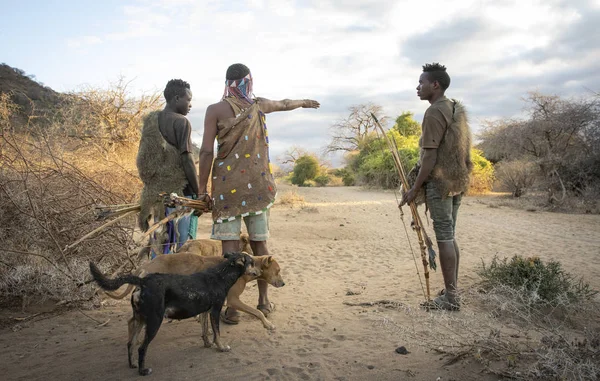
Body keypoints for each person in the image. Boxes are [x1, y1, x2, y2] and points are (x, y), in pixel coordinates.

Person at [197, 63, 319, 323]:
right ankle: (263, 302)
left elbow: (206, 151)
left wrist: (201, 191)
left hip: (226, 191)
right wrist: (304, 102)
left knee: (230, 253)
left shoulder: (214, 110)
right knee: (259, 246)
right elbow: (284, 103)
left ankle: (231, 308)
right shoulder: (258, 105)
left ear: (227, 82)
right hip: (257, 189)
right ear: (248, 82)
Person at [401, 63, 472, 310]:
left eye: (421, 82)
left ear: (435, 84)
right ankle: (452, 291)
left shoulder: (433, 113)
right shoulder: (454, 108)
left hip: (440, 183)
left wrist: (413, 189)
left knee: (444, 238)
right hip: (457, 180)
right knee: (449, 236)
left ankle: (451, 298)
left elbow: (429, 157)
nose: (417, 87)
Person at [137, 79, 200, 256]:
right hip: (180, 195)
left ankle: (157, 276)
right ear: (176, 98)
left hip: (157, 195)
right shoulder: (181, 122)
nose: (190, 104)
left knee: (160, 241)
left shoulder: (152, 120)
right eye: (188, 100)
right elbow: (187, 159)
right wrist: (199, 191)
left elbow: (145, 157)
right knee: (182, 246)